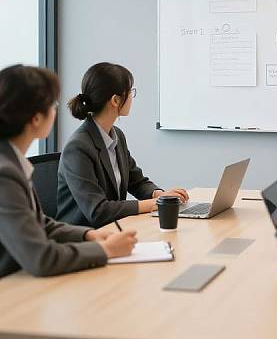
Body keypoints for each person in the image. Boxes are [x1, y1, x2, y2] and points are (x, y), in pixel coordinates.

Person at [0, 64, 136, 277]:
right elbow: (41, 258)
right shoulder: (4, 174)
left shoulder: (11, 163)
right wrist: (106, 250)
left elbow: (40, 224)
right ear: (36, 118)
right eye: (52, 105)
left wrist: (89, 236)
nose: (56, 111)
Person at [57, 62, 189, 228]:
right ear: (115, 100)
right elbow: (98, 211)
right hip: (83, 240)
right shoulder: (77, 148)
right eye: (131, 92)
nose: (132, 97)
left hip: (113, 230)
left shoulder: (116, 135)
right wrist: (153, 204)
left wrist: (159, 194)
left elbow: (137, 182)